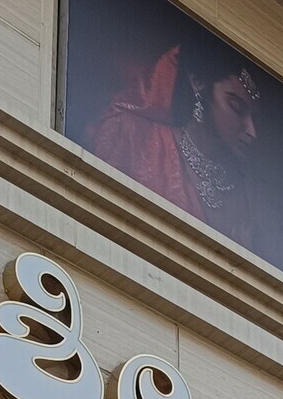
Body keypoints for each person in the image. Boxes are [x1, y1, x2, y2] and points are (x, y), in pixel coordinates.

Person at [86, 31, 269, 256]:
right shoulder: (132, 135)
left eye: (256, 119)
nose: (252, 132)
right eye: (237, 108)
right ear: (198, 83)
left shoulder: (251, 192)